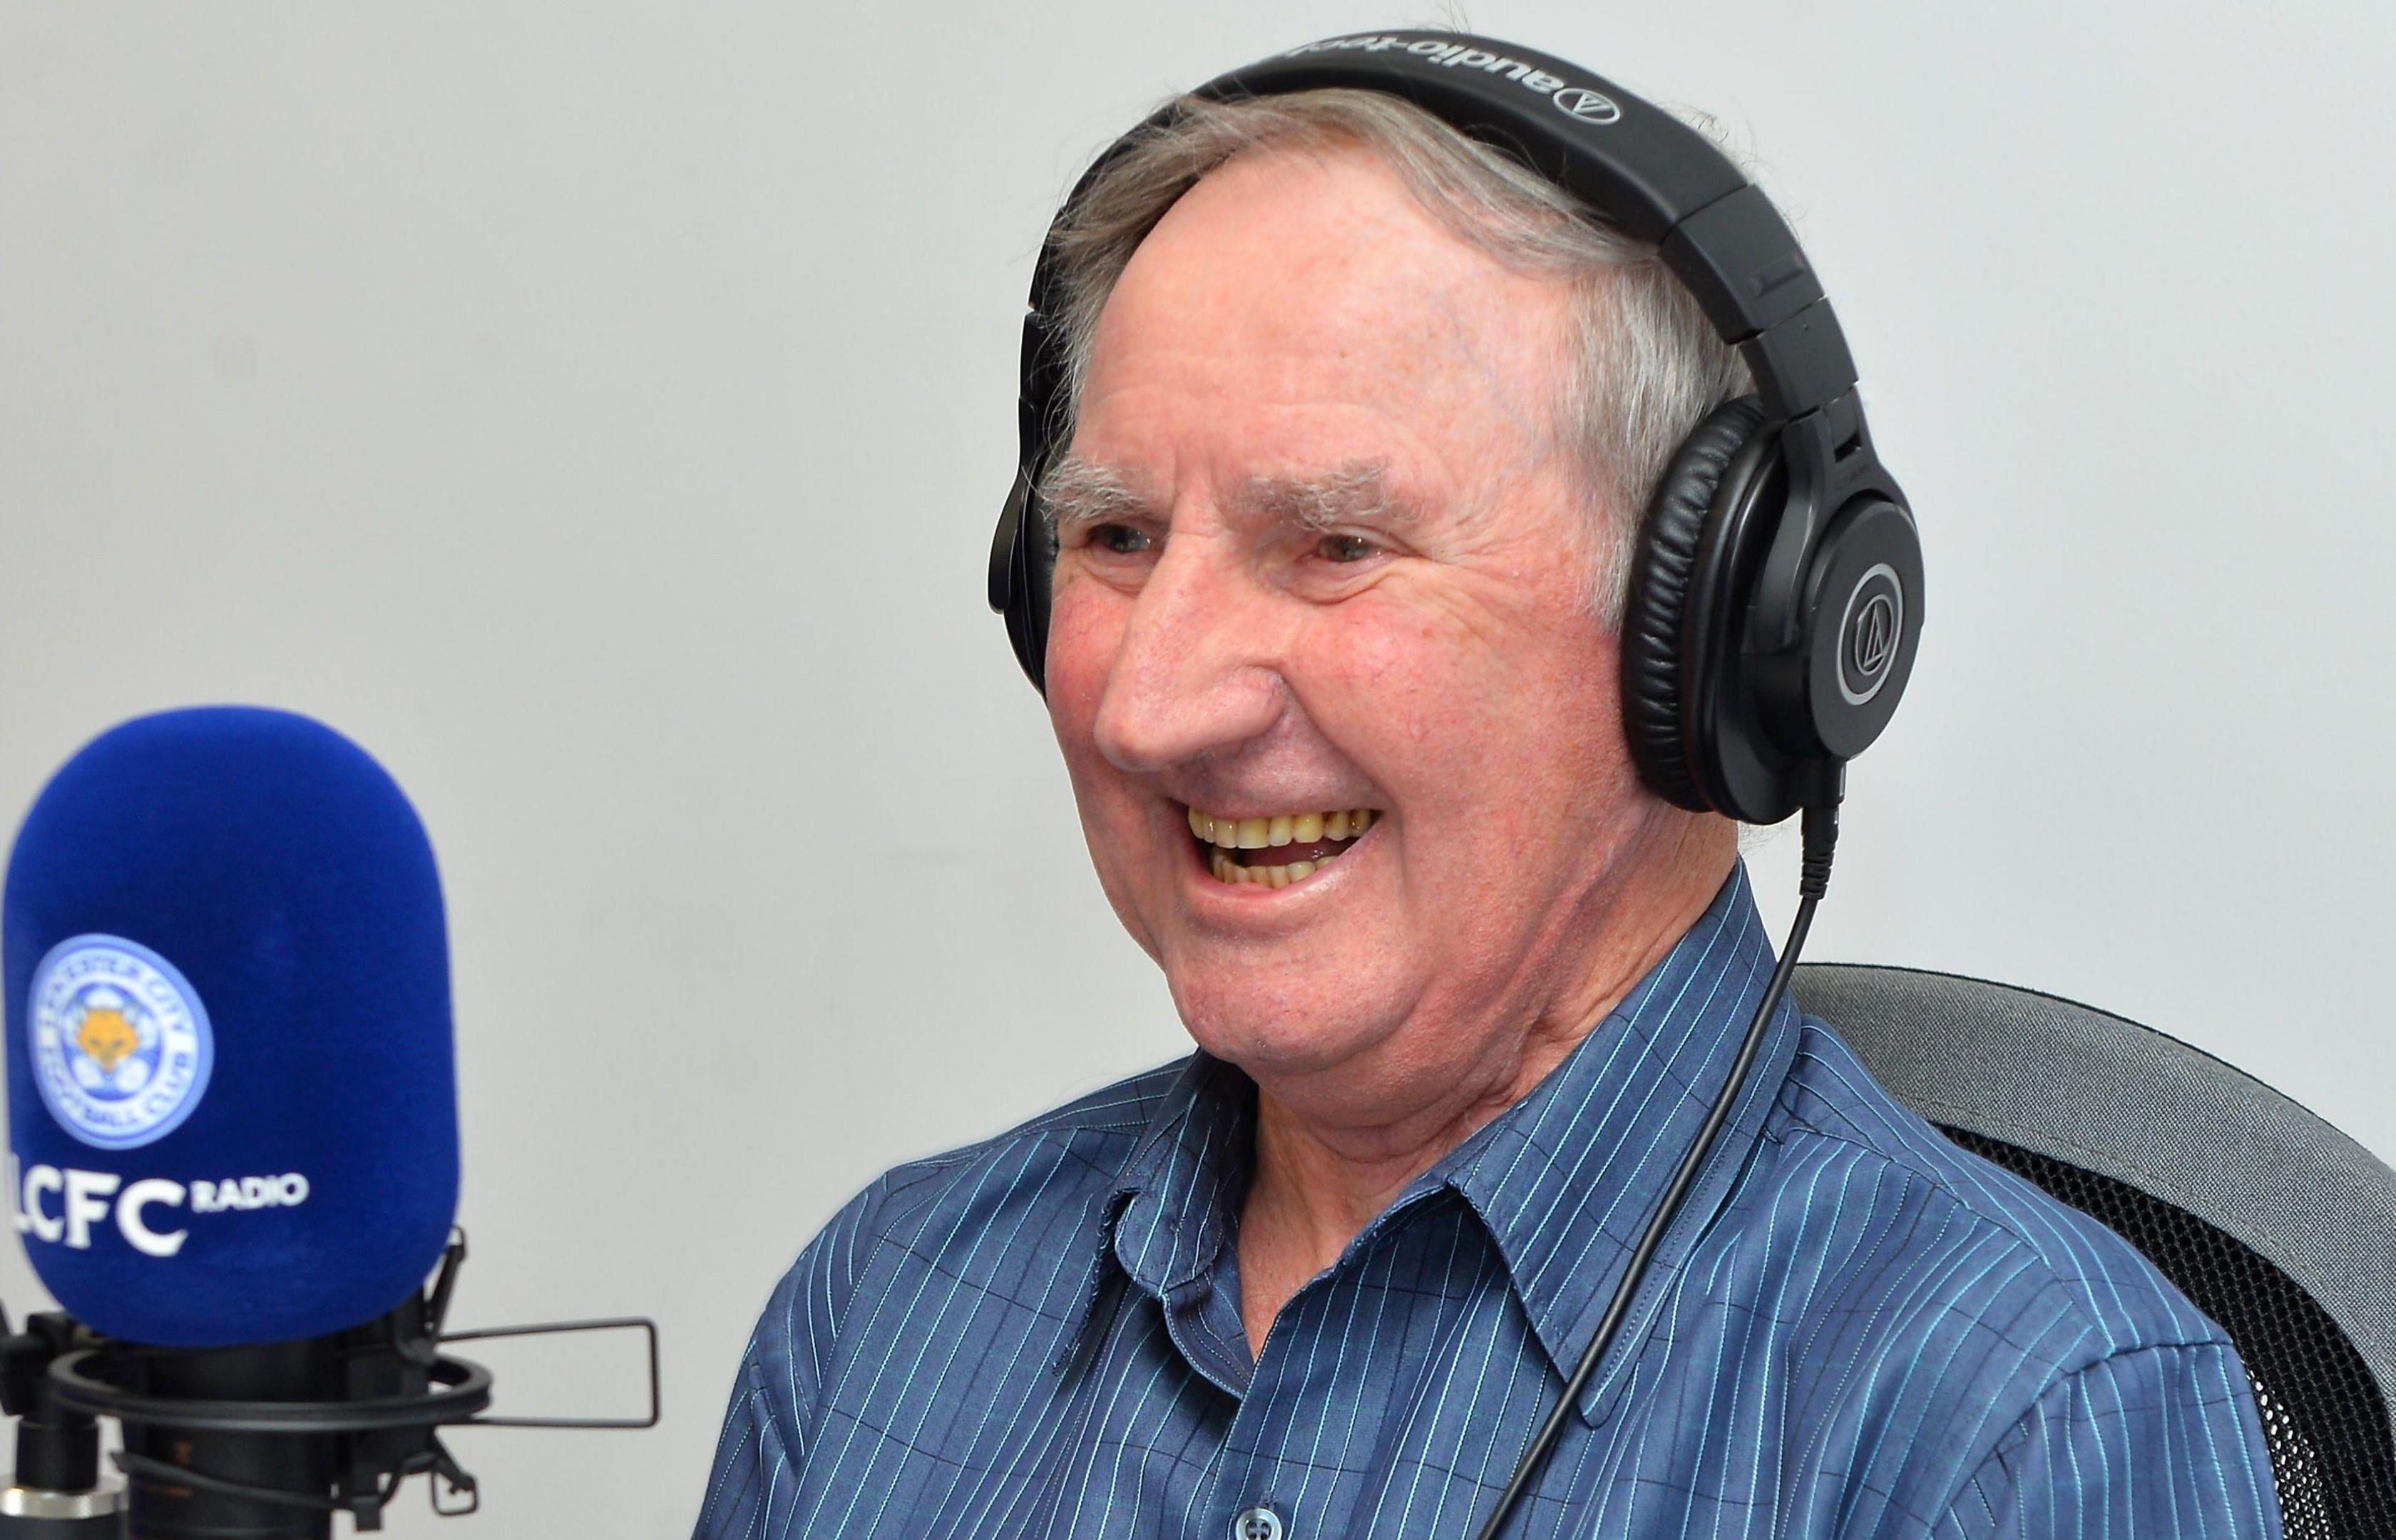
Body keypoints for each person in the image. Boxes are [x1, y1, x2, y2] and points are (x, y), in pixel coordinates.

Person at [695, 34, 2284, 1540]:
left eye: (1334, 547)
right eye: (1115, 540)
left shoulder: (2014, 1429)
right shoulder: (884, 1305)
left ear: (1714, 639)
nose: (1153, 706)